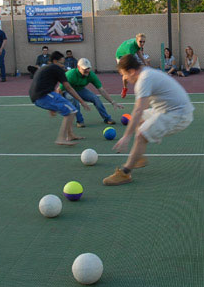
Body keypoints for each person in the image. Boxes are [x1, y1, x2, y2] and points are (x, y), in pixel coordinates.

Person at [103, 54, 194, 186]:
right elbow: (140, 113)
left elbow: (138, 110)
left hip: (178, 114)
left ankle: (125, 173)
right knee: (140, 121)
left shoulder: (144, 80)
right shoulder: (147, 73)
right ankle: (139, 157)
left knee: (141, 134)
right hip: (167, 110)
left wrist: (126, 136)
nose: (125, 78)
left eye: (124, 74)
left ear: (132, 71)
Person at [29, 51, 90, 146]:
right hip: (43, 95)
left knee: (69, 110)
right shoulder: (56, 68)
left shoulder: (45, 68)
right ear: (55, 61)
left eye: (63, 63)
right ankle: (61, 138)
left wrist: (51, 107)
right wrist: (82, 102)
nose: (63, 65)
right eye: (61, 63)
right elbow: (68, 88)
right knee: (71, 111)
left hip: (39, 96)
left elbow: (44, 84)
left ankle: (70, 135)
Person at [60, 58, 124, 128]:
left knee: (95, 98)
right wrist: (60, 102)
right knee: (74, 101)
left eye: (88, 68)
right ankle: (80, 121)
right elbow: (59, 90)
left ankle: (107, 118)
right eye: (85, 69)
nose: (87, 71)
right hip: (68, 91)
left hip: (80, 90)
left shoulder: (91, 75)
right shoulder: (70, 75)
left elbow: (101, 90)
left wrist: (112, 102)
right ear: (78, 67)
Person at [115, 33, 147, 98]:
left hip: (128, 54)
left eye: (144, 42)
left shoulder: (137, 43)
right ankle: (125, 88)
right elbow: (131, 61)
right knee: (127, 75)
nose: (142, 43)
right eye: (140, 42)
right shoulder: (130, 49)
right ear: (136, 40)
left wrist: (145, 63)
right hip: (121, 56)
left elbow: (138, 52)